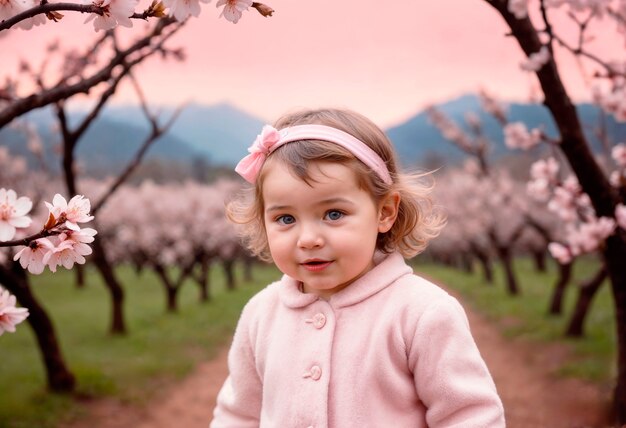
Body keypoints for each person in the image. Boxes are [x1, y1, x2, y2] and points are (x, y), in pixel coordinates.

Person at [211, 108, 505, 427]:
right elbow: (238, 415)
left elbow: (470, 416)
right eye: (285, 219)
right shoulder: (261, 314)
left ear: (385, 212)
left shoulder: (421, 313)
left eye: (334, 214)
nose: (308, 239)